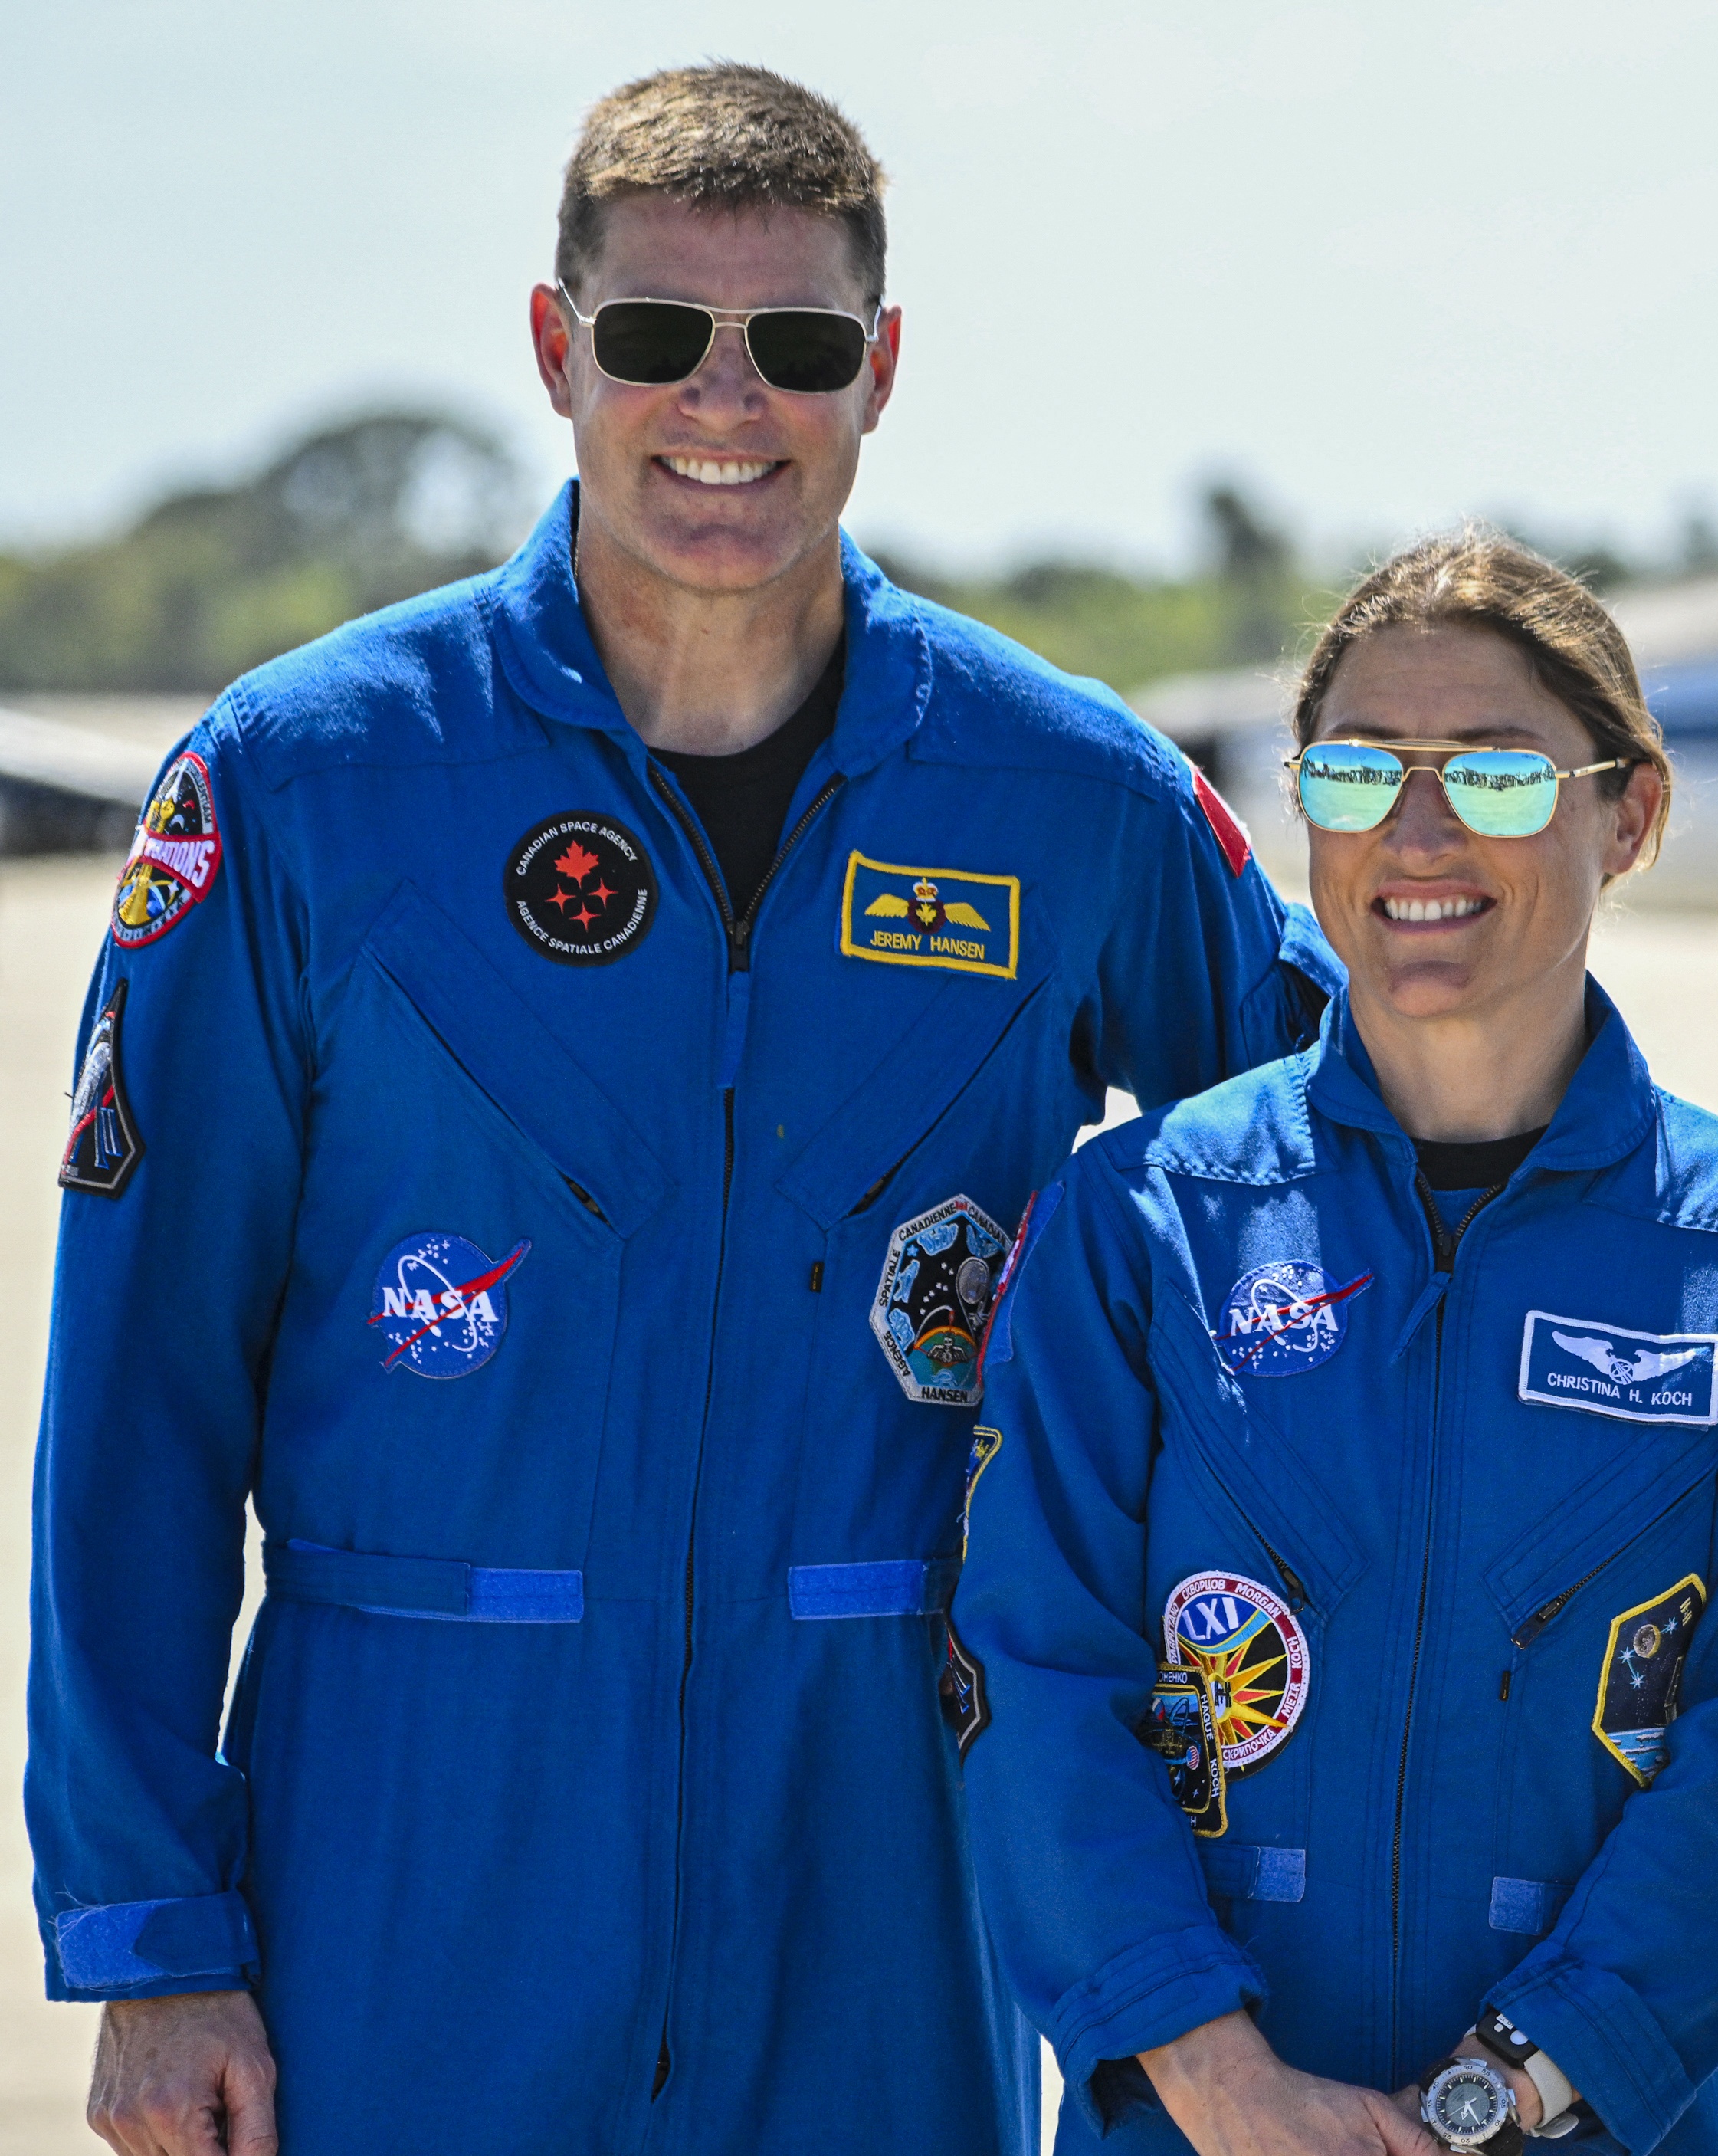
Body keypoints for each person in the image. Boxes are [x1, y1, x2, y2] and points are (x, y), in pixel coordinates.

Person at [35, 64, 1334, 2156]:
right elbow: (140, 1393)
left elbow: (1369, 1151)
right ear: (559, 348)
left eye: (796, 346)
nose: (723, 402)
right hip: (406, 1840)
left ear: (881, 371)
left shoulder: (1067, 801)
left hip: (885, 1848)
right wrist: (149, 1924)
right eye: (656, 334)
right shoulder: (298, 787)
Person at [954, 529, 1718, 2156]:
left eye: (1501, 779)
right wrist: (1222, 2083)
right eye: (1356, 772)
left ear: (1632, 811)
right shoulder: (1141, 1220)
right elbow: (1029, 1676)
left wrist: (1508, 2094)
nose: (1419, 832)